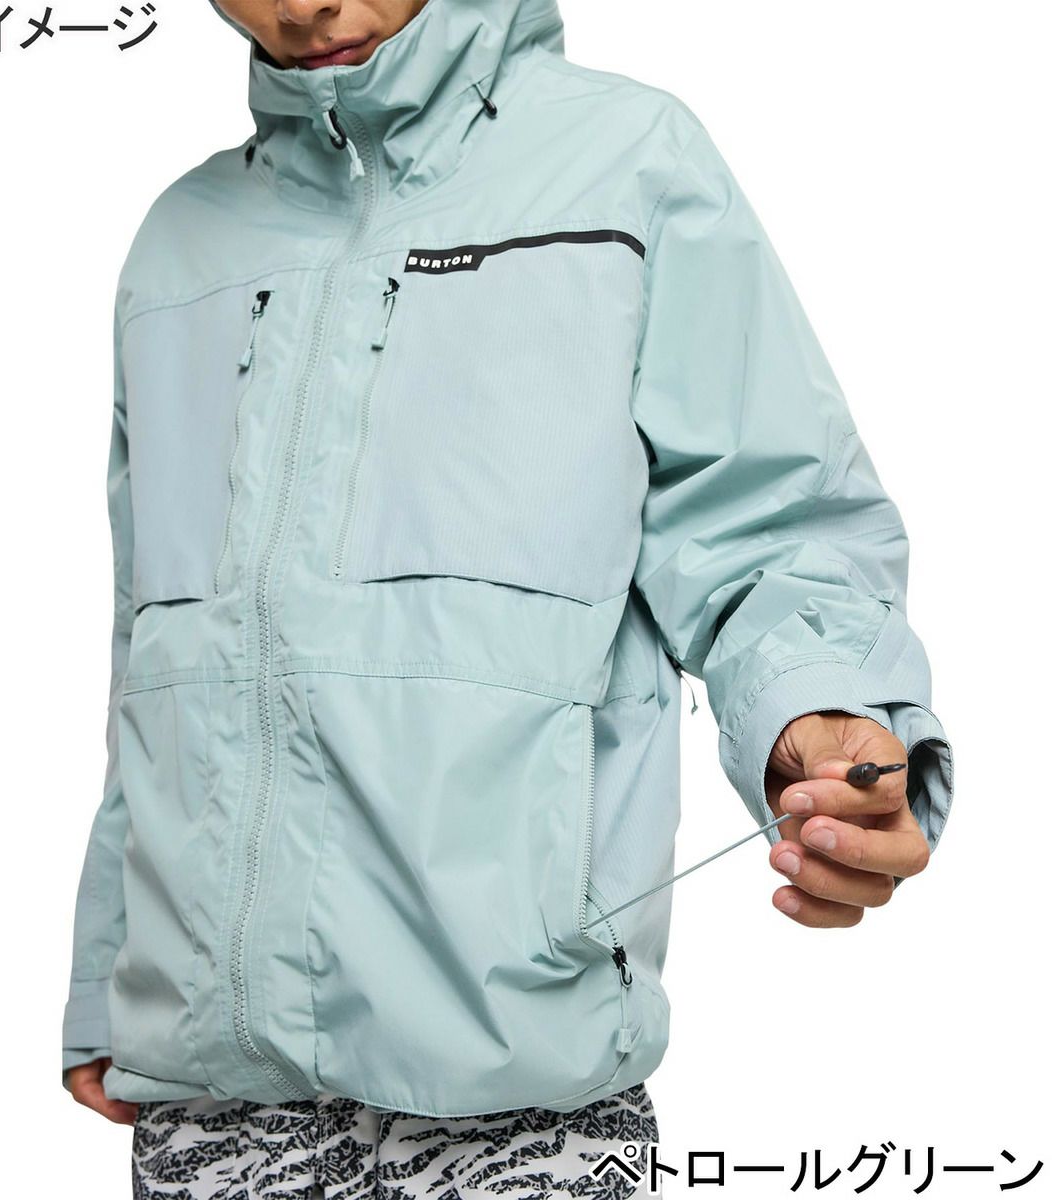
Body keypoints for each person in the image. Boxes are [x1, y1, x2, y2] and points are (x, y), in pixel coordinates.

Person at [62, 0, 956, 1195]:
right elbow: (154, 643)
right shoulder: (180, 243)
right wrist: (109, 970)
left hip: (522, 1094)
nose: (301, 6)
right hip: (213, 1095)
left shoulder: (627, 164)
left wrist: (825, 714)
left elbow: (766, 528)